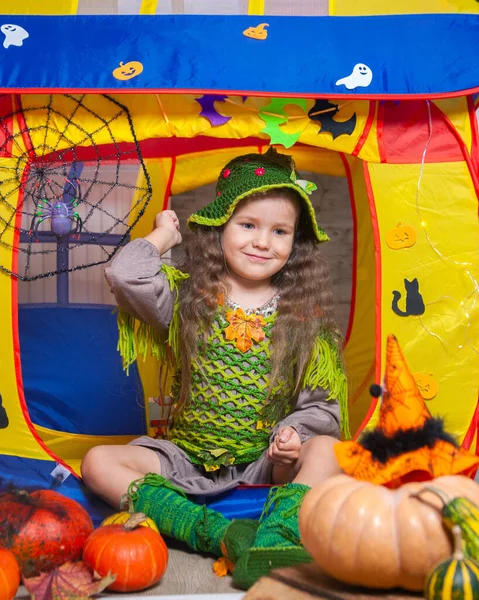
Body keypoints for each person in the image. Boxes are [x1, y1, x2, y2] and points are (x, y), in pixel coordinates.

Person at [81, 147, 349, 589]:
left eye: (279, 231)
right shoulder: (188, 299)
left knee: (329, 450)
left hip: (265, 461)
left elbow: (322, 409)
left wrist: (292, 439)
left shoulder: (303, 317)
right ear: (219, 227)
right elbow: (126, 275)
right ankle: (220, 533)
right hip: (185, 456)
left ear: (295, 244)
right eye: (248, 226)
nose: (263, 242)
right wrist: (162, 238)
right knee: (98, 463)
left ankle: (276, 537)